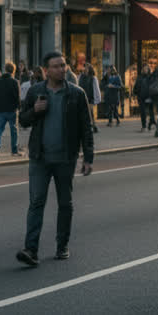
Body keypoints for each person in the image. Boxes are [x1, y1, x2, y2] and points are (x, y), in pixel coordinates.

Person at [15, 50, 95, 266]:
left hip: (65, 158)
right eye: (56, 66)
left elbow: (86, 128)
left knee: (65, 203)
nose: (62, 69)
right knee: (36, 202)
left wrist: (88, 157)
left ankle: (62, 245)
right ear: (47, 70)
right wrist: (34, 110)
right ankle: (31, 249)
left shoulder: (76, 94)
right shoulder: (36, 92)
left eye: (63, 65)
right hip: (40, 157)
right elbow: (22, 120)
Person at [0, 62, 22, 158]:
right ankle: (14, 150)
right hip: (12, 109)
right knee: (14, 130)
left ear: (5, 70)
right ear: (13, 71)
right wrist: (19, 107)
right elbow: (17, 97)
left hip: (0, 109)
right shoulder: (15, 82)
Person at [82, 64, 100, 134]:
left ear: (89, 69)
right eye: (84, 68)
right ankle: (93, 126)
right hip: (83, 98)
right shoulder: (81, 77)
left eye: (86, 68)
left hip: (90, 99)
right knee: (88, 114)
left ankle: (91, 127)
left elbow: (96, 89)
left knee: (89, 113)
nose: (85, 69)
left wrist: (97, 99)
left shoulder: (93, 78)